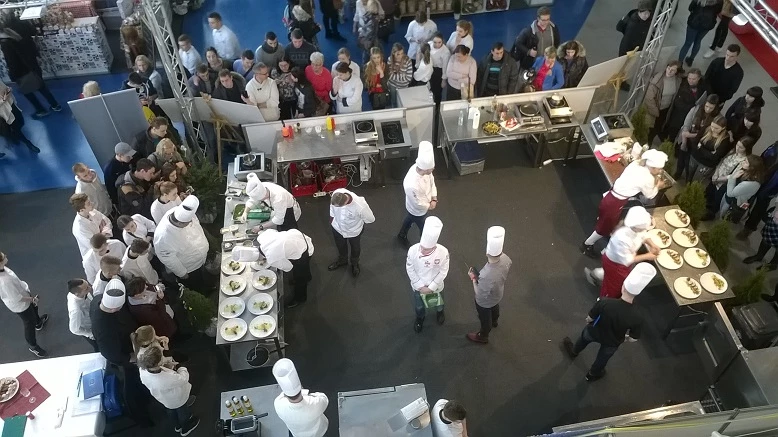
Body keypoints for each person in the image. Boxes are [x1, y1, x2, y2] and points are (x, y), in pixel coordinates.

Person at [564, 263, 655, 381]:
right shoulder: (638, 317)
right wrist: (625, 338)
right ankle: (593, 374)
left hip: (594, 331)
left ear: (623, 287)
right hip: (612, 341)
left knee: (583, 339)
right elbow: (633, 338)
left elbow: (590, 318)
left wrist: (588, 321)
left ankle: (574, 351)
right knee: (603, 358)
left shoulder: (605, 302)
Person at [580, 150, 668, 257]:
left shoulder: (636, 164)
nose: (660, 171)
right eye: (659, 169)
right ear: (653, 167)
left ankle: (601, 222)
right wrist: (658, 185)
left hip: (610, 196)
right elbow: (649, 195)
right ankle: (587, 245)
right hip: (615, 203)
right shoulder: (648, 178)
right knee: (603, 229)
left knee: (604, 220)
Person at [91, 279, 152, 426]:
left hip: (130, 343)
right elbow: (110, 353)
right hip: (125, 356)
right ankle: (139, 416)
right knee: (131, 386)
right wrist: (132, 358)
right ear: (115, 308)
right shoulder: (104, 328)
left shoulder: (98, 300)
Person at [585, 207, 659, 299]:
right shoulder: (621, 238)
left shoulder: (635, 228)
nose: (644, 229)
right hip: (615, 263)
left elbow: (643, 235)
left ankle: (596, 274)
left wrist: (652, 245)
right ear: (636, 227)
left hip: (620, 261)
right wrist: (647, 256)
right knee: (614, 287)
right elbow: (627, 260)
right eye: (643, 228)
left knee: (610, 276)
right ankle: (603, 300)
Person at [0, 12, 61, 118]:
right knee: (41, 86)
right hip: (30, 64)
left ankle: (40, 110)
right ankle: (55, 105)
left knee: (27, 92)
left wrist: (13, 75)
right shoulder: (12, 34)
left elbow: (11, 61)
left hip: (21, 71)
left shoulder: (5, 43)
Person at [233, 228, 315, 307]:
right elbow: (273, 231)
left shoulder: (271, 258)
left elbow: (288, 267)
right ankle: (308, 277)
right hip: (299, 237)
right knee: (304, 270)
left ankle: (300, 298)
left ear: (259, 259)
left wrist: (279, 257)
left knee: (300, 276)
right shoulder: (262, 237)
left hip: (303, 250)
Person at [153, 196, 212, 293]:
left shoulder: (178, 211)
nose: (192, 221)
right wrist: (182, 273)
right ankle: (204, 294)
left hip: (201, 258)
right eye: (189, 222)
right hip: (190, 268)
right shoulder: (163, 237)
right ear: (180, 223)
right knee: (196, 284)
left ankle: (209, 286)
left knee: (204, 276)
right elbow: (168, 259)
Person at [137, 346, 199, 436]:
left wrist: (165, 368)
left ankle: (177, 426)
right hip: (177, 399)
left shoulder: (143, 370)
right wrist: (181, 367)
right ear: (159, 362)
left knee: (171, 411)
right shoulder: (165, 379)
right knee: (182, 411)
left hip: (164, 399)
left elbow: (160, 373)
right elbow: (183, 379)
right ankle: (186, 427)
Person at [466, 226, 512, 344]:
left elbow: (480, 293)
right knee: (495, 307)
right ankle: (495, 320)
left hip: (485, 302)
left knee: (485, 317)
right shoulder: (506, 259)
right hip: (498, 293)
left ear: (487, 252)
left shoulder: (486, 275)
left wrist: (473, 279)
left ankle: (483, 335)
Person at [0, 251, 48, 357]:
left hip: (23, 293)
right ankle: (33, 346)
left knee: (33, 309)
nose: (6, 256)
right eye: (3, 257)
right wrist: (32, 299)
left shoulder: (3, 269)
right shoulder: (4, 282)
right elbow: (17, 298)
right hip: (20, 304)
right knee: (29, 323)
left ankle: (38, 323)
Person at [406, 216, 449, 333]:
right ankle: (420, 318)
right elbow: (410, 268)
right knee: (419, 306)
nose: (422, 251)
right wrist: (420, 286)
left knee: (438, 303)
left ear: (434, 246)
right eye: (422, 247)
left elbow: (443, 271)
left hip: (436, 286)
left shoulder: (443, 252)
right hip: (418, 286)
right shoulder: (413, 250)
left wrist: (431, 287)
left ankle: (440, 312)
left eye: (426, 249)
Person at [272, 358, 329, 437]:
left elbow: (281, 397)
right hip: (319, 432)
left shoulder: (278, 404)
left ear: (285, 393)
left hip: (297, 434)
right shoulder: (314, 404)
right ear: (301, 388)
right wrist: (307, 394)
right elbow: (324, 398)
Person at [328, 188, 375, 277]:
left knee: (355, 248)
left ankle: (354, 263)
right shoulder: (336, 194)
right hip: (337, 228)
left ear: (345, 203)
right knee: (340, 245)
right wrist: (332, 220)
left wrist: (359, 221)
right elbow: (332, 208)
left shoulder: (360, 206)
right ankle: (342, 260)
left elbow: (370, 219)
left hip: (354, 231)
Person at [674, 93, 721, 180]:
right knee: (681, 158)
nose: (708, 109)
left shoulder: (716, 118)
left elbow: (709, 133)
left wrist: (690, 135)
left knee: (689, 163)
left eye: (711, 108)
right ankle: (678, 173)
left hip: (698, 143)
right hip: (686, 138)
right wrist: (684, 140)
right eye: (706, 106)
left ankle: (688, 180)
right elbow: (686, 124)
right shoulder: (696, 109)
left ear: (715, 108)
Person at [398, 141, 437, 246]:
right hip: (417, 209)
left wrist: (434, 197)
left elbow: (432, 182)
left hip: (424, 204)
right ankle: (425, 245)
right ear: (425, 169)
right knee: (424, 228)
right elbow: (417, 203)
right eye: (431, 168)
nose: (433, 169)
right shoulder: (411, 184)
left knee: (409, 219)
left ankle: (402, 234)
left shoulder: (425, 171)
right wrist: (429, 206)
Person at [707, 136, 754, 217]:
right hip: (716, 177)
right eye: (737, 145)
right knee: (707, 197)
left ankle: (710, 214)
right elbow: (722, 161)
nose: (737, 148)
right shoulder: (733, 151)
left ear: (746, 149)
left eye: (741, 147)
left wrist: (718, 179)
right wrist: (715, 174)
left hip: (722, 184)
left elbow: (732, 176)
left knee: (714, 203)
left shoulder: (744, 161)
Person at [661, 68, 706, 146]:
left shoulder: (702, 87)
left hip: (692, 118)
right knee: (672, 136)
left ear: (699, 78)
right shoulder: (683, 86)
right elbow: (677, 103)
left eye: (693, 79)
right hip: (678, 116)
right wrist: (692, 107)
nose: (691, 81)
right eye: (689, 78)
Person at [644, 61, 682, 145]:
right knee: (650, 128)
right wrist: (656, 112)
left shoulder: (677, 81)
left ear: (676, 72)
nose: (669, 71)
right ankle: (647, 144)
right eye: (668, 68)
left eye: (673, 70)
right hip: (655, 109)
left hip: (666, 109)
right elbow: (649, 98)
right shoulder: (657, 80)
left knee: (658, 127)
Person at [678, 0, 723, 67]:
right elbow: (718, 11)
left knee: (687, 43)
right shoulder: (719, 1)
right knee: (698, 41)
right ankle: (691, 59)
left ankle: (679, 64)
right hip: (707, 24)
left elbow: (690, 8)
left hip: (694, 22)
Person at [687, 114, 731, 183]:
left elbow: (715, 157)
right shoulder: (706, 128)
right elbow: (695, 142)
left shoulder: (725, 139)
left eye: (716, 128)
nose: (713, 129)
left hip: (707, 164)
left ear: (723, 128)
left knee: (698, 182)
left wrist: (700, 147)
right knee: (688, 176)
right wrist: (709, 153)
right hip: (695, 157)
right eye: (712, 126)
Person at [717, 155, 763, 219]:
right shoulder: (745, 171)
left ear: (752, 167)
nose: (742, 162)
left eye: (746, 162)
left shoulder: (752, 183)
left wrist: (733, 178)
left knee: (724, 218)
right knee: (721, 213)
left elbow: (730, 193)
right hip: (727, 198)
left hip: (733, 204)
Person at [0, 81, 39, 153]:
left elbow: (4, 87)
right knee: (14, 126)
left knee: (21, 121)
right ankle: (28, 143)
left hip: (10, 103)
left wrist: (8, 90)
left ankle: (14, 136)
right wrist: (3, 100)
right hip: (3, 110)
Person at [71, 193, 113, 258]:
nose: (92, 203)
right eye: (88, 203)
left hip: (107, 245)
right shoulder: (80, 228)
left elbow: (108, 222)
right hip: (95, 255)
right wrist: (103, 232)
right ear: (82, 210)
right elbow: (95, 245)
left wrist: (101, 234)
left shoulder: (93, 211)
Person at [67, 279, 98, 351]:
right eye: (86, 288)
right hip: (90, 327)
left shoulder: (79, 293)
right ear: (77, 294)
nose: (90, 288)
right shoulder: (75, 310)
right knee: (99, 347)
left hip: (94, 316)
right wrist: (90, 334)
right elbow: (74, 330)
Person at [428, 33, 451, 103]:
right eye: (435, 42)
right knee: (429, 88)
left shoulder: (446, 52)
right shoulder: (429, 45)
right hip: (429, 68)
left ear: (442, 41)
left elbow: (445, 66)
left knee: (437, 91)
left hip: (438, 71)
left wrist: (443, 80)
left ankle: (437, 106)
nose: (437, 44)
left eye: (439, 42)